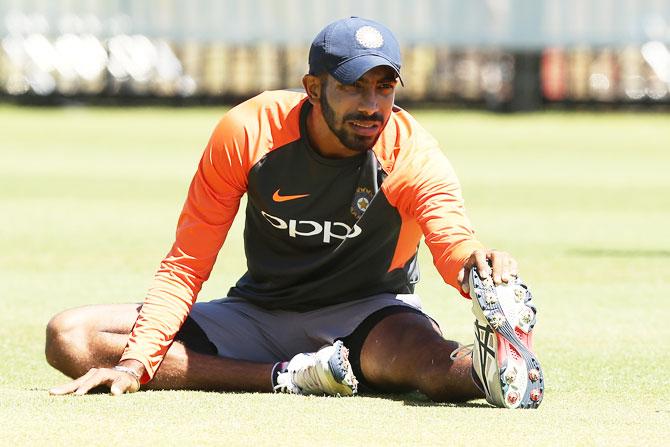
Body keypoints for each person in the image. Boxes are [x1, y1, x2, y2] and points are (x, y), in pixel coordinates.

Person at [46, 17, 543, 409]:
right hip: (256, 315)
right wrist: (133, 364)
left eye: (385, 88)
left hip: (368, 316)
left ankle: (499, 370)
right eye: (353, 87)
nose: (372, 105)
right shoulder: (248, 131)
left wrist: (476, 270)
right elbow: (187, 262)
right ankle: (292, 377)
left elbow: (449, 235)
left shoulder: (409, 151)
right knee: (71, 338)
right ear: (313, 86)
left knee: (432, 367)